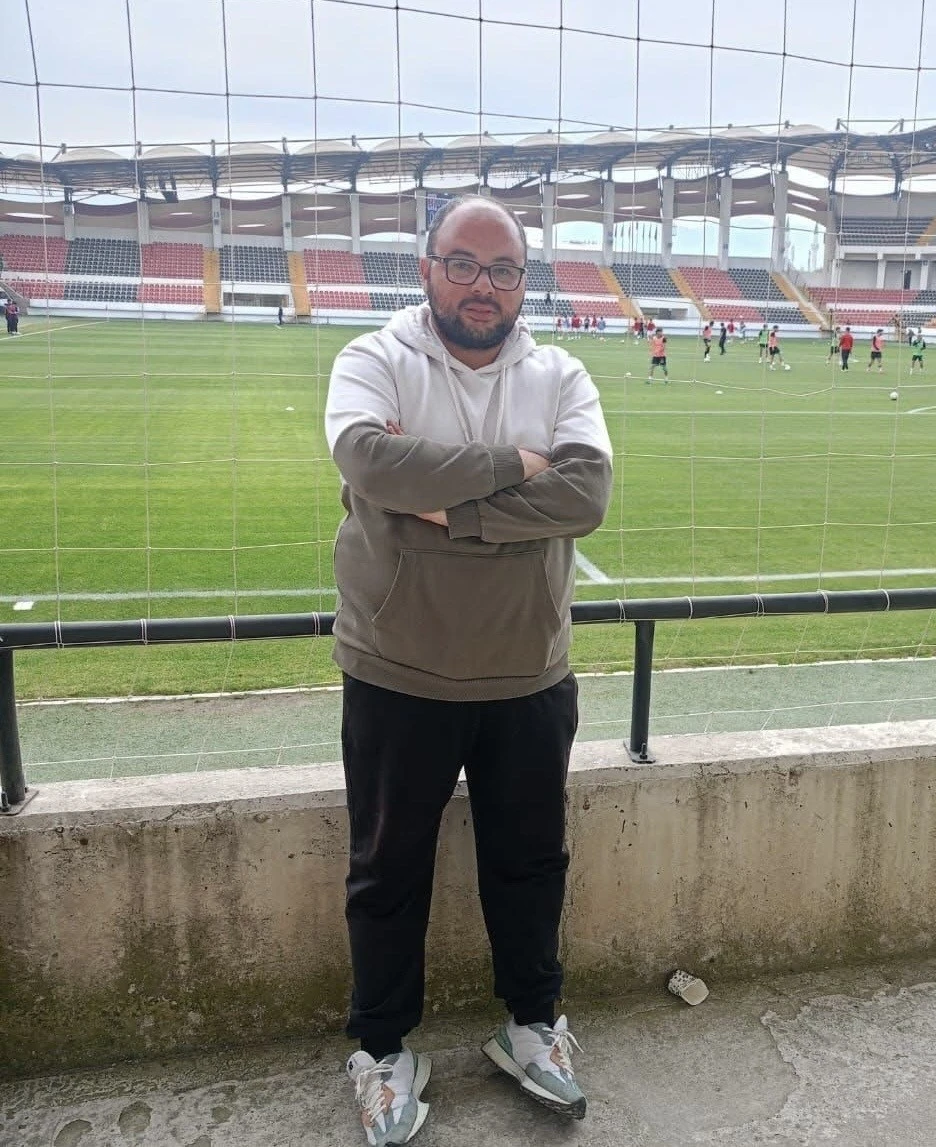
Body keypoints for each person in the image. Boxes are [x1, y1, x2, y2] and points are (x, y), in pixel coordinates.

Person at [324, 194, 612, 1143]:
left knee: (531, 864)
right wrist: (515, 466)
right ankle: (380, 1049)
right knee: (386, 871)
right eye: (463, 264)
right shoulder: (374, 358)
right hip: (396, 669)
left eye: (503, 270)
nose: (483, 285)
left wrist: (451, 509)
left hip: (528, 670)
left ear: (524, 281)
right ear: (427, 269)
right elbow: (372, 464)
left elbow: (586, 493)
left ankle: (532, 1024)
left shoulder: (560, 372)